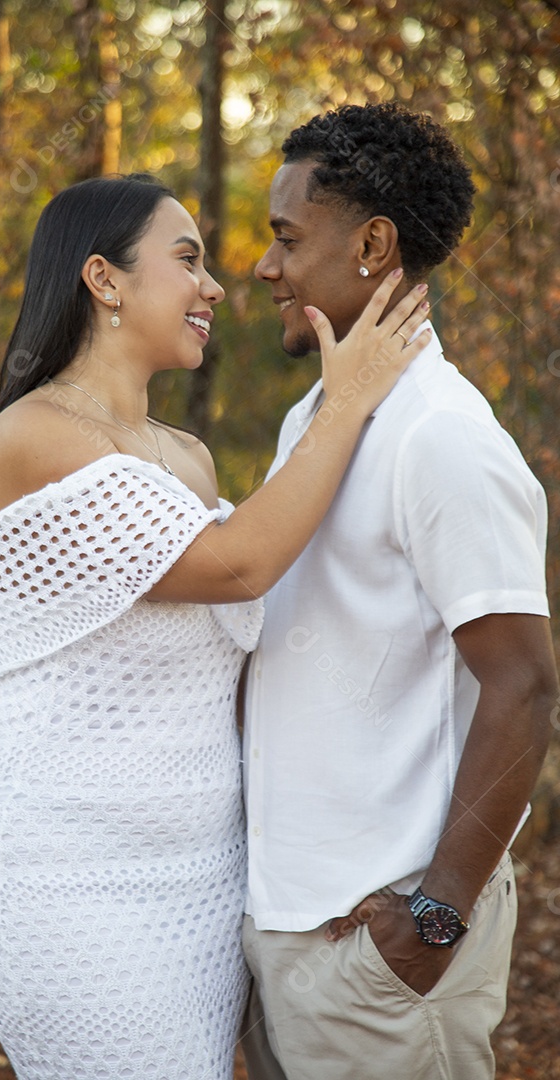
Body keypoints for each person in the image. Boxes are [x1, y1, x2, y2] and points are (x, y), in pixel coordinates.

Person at [0, 172, 429, 1079]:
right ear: (104, 279)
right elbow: (239, 564)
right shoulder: (34, 433)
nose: (216, 285)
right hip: (68, 879)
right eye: (188, 260)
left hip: (203, 879)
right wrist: (349, 399)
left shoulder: (187, 456)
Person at [240, 103, 559, 1080]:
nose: (265, 268)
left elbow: (526, 687)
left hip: (386, 955)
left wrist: (433, 919)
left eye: (287, 238)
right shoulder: (317, 420)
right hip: (291, 935)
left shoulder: (443, 438)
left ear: (372, 246)